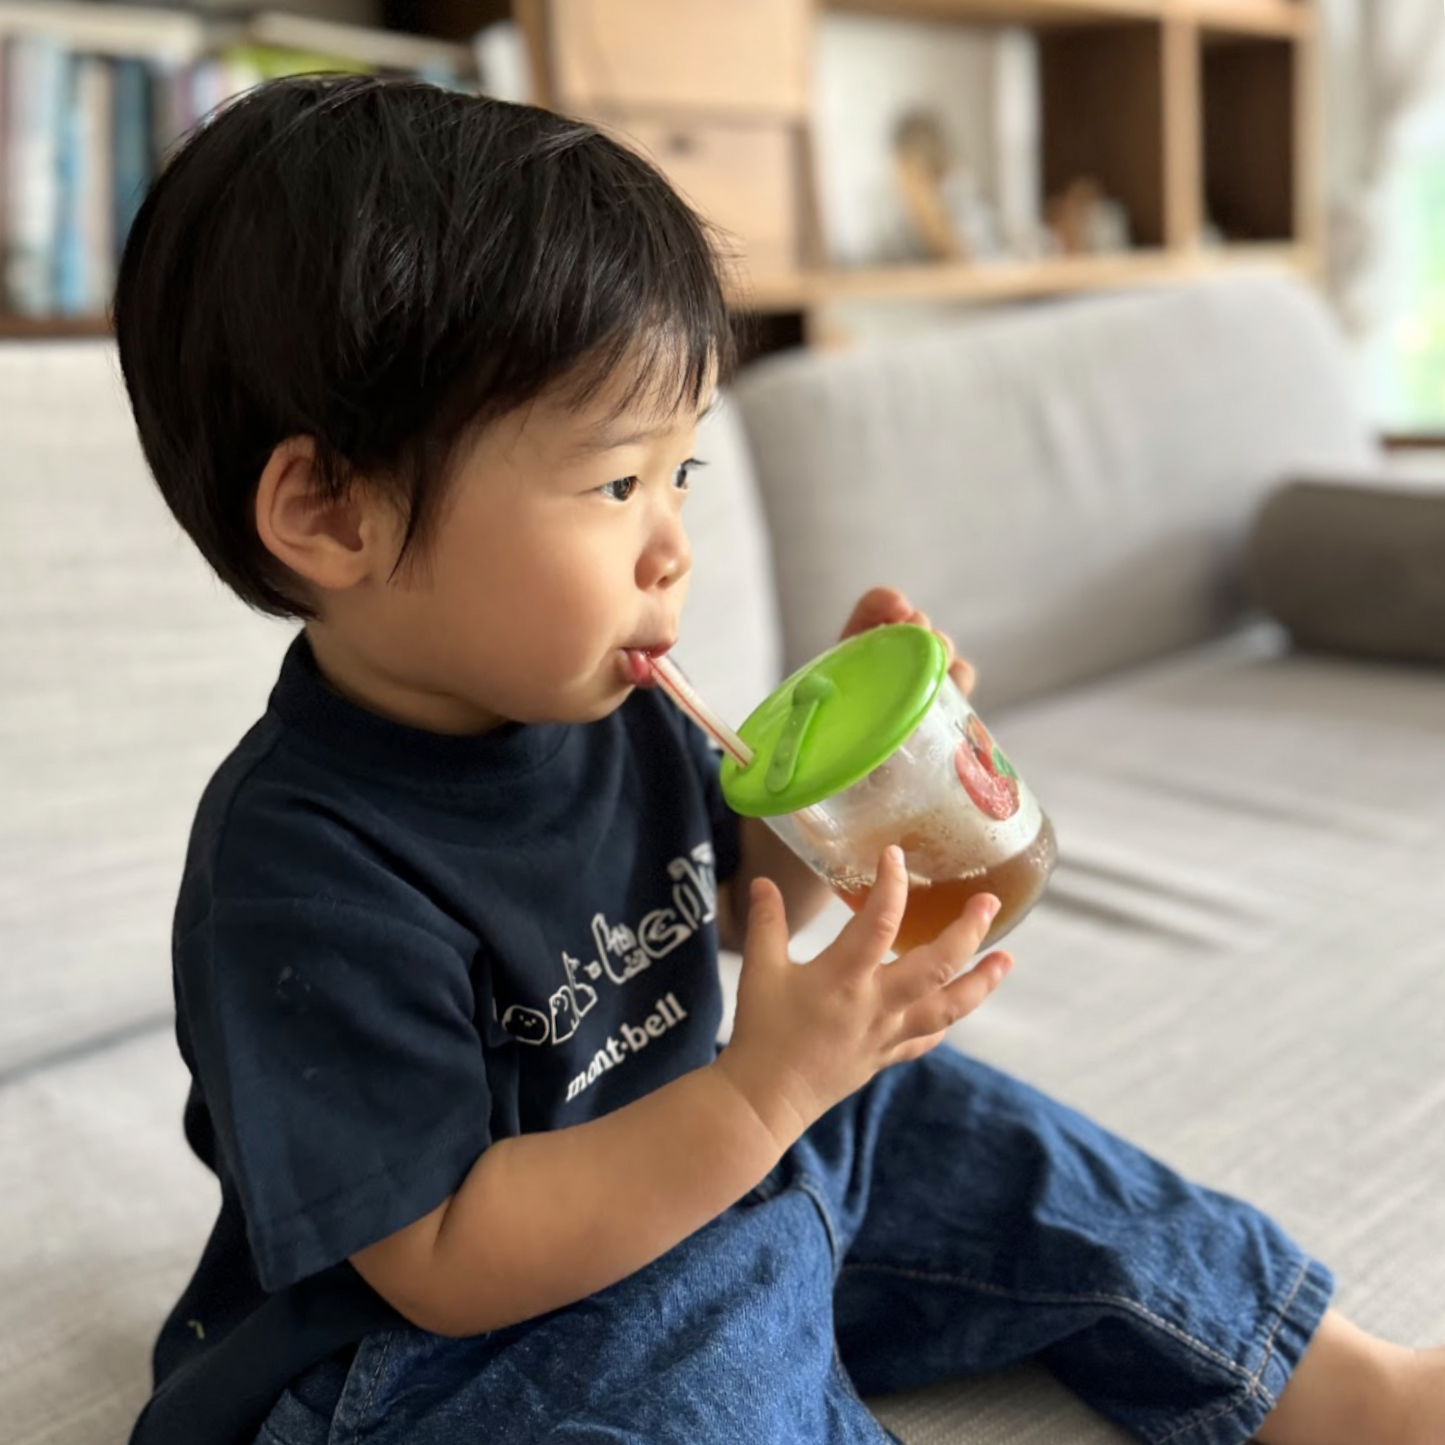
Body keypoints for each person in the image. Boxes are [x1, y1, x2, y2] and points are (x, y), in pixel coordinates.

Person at [114, 76, 1442, 1445]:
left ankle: (1341, 1385)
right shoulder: (302, 875)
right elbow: (446, 1260)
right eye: (619, 481)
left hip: (712, 1160)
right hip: (457, 1346)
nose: (676, 541)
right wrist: (760, 1097)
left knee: (968, 1132)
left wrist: (844, 803)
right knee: (693, 1376)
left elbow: (749, 896)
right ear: (331, 510)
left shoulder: (609, 709)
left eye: (684, 472)